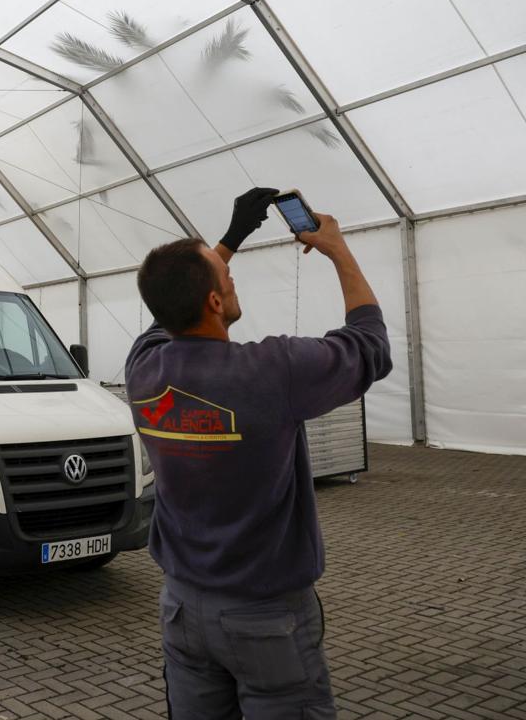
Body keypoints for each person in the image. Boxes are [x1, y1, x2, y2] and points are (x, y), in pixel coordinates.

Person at [124, 188, 393, 720]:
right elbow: (370, 346)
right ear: (216, 303)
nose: (231, 275)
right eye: (224, 278)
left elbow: (172, 307)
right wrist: (338, 248)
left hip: (181, 609)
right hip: (266, 617)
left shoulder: (143, 370)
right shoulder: (273, 371)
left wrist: (228, 242)